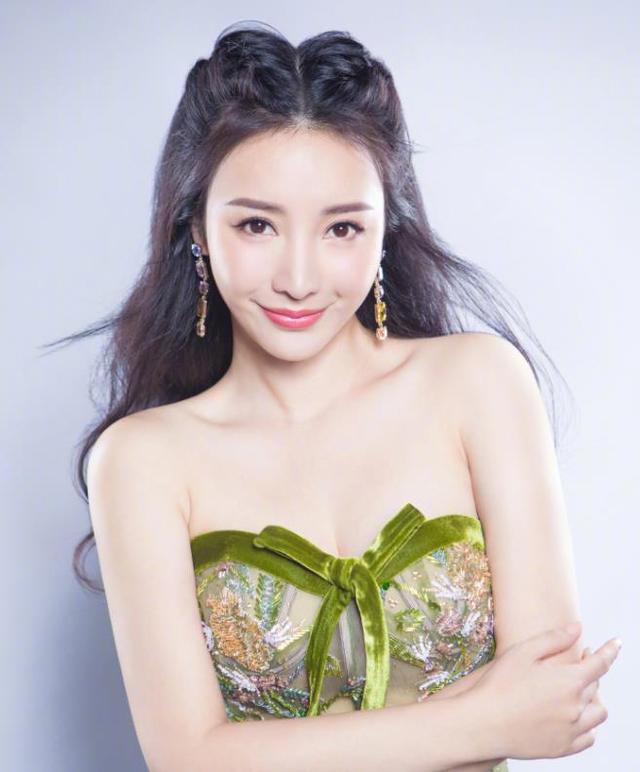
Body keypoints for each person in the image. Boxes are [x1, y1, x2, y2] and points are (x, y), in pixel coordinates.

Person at [53, 21, 621, 772]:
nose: (298, 278)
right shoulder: (141, 460)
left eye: (342, 228)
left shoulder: (479, 383)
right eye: (257, 224)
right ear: (198, 228)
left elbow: (552, 699)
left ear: (385, 231)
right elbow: (187, 760)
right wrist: (489, 719)